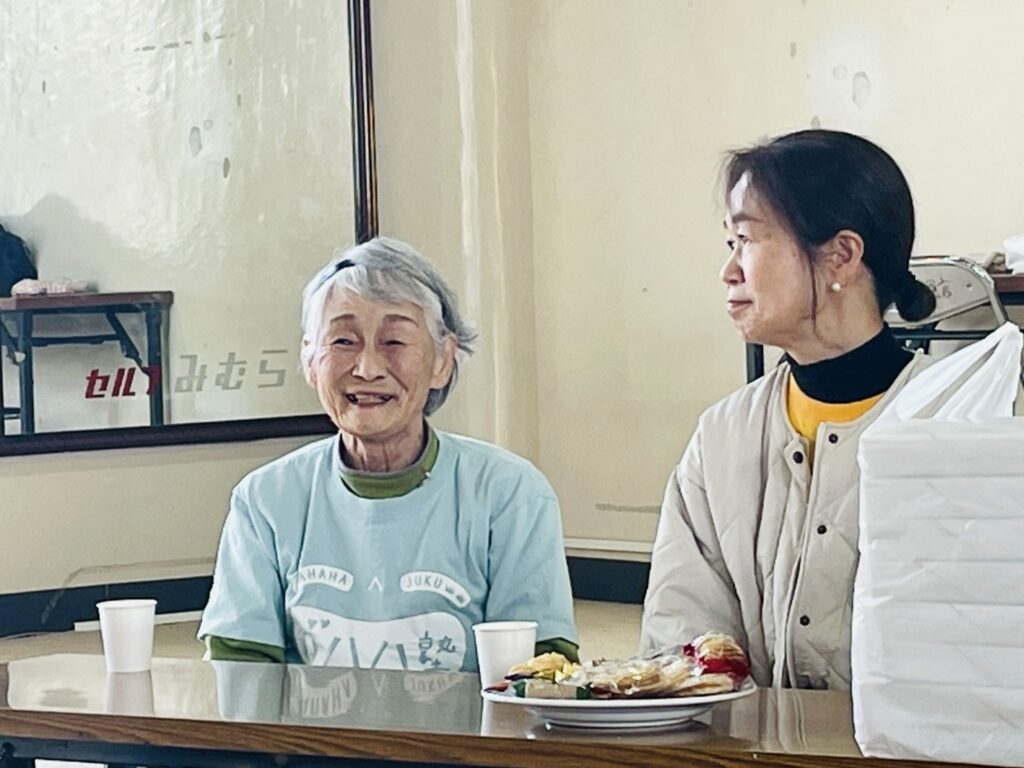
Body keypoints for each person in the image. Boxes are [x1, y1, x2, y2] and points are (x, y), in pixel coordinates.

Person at [641, 129, 942, 690]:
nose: (729, 271)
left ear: (841, 255)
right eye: (729, 244)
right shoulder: (723, 434)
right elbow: (680, 633)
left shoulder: (949, 425)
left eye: (746, 240)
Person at [199, 237, 577, 671]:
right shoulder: (266, 499)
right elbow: (239, 670)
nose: (368, 368)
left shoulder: (510, 494)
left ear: (443, 360)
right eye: (343, 341)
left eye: (394, 342)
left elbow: (540, 672)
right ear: (310, 360)